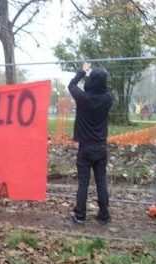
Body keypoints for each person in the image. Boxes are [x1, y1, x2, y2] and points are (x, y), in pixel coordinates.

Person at [68, 63, 114, 225]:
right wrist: (100, 76)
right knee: (101, 181)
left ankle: (80, 216)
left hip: (85, 148)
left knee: (83, 183)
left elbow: (72, 85)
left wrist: (83, 71)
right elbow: (107, 89)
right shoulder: (108, 98)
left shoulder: (83, 98)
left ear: (91, 81)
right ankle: (104, 215)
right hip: (101, 148)